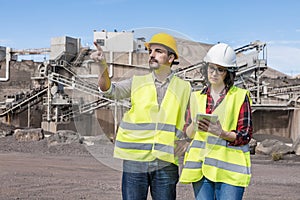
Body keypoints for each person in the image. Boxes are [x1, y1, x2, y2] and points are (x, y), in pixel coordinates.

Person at [91, 32, 191, 200]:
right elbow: (108, 90)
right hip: (135, 159)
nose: (152, 55)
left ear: (171, 58)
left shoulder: (184, 87)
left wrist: (187, 141)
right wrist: (102, 65)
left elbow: (193, 120)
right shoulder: (136, 82)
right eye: (150, 51)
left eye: (158, 51)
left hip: (166, 160)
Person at [179, 43, 253, 200]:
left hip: (229, 172)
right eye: (211, 68)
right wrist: (194, 126)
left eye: (221, 69)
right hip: (201, 168)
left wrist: (222, 133)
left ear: (229, 73)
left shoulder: (239, 96)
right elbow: (187, 134)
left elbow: (245, 135)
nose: (214, 73)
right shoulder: (195, 97)